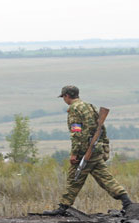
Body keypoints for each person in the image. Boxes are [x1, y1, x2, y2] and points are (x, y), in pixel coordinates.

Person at [43, 85, 132, 216]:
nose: (64, 100)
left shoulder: (74, 109)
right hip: (95, 148)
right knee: (106, 179)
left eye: (64, 97)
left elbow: (76, 133)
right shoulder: (89, 106)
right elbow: (100, 127)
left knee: (75, 178)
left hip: (85, 151)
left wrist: (75, 153)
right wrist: (104, 145)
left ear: (67, 96)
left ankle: (63, 208)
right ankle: (127, 203)